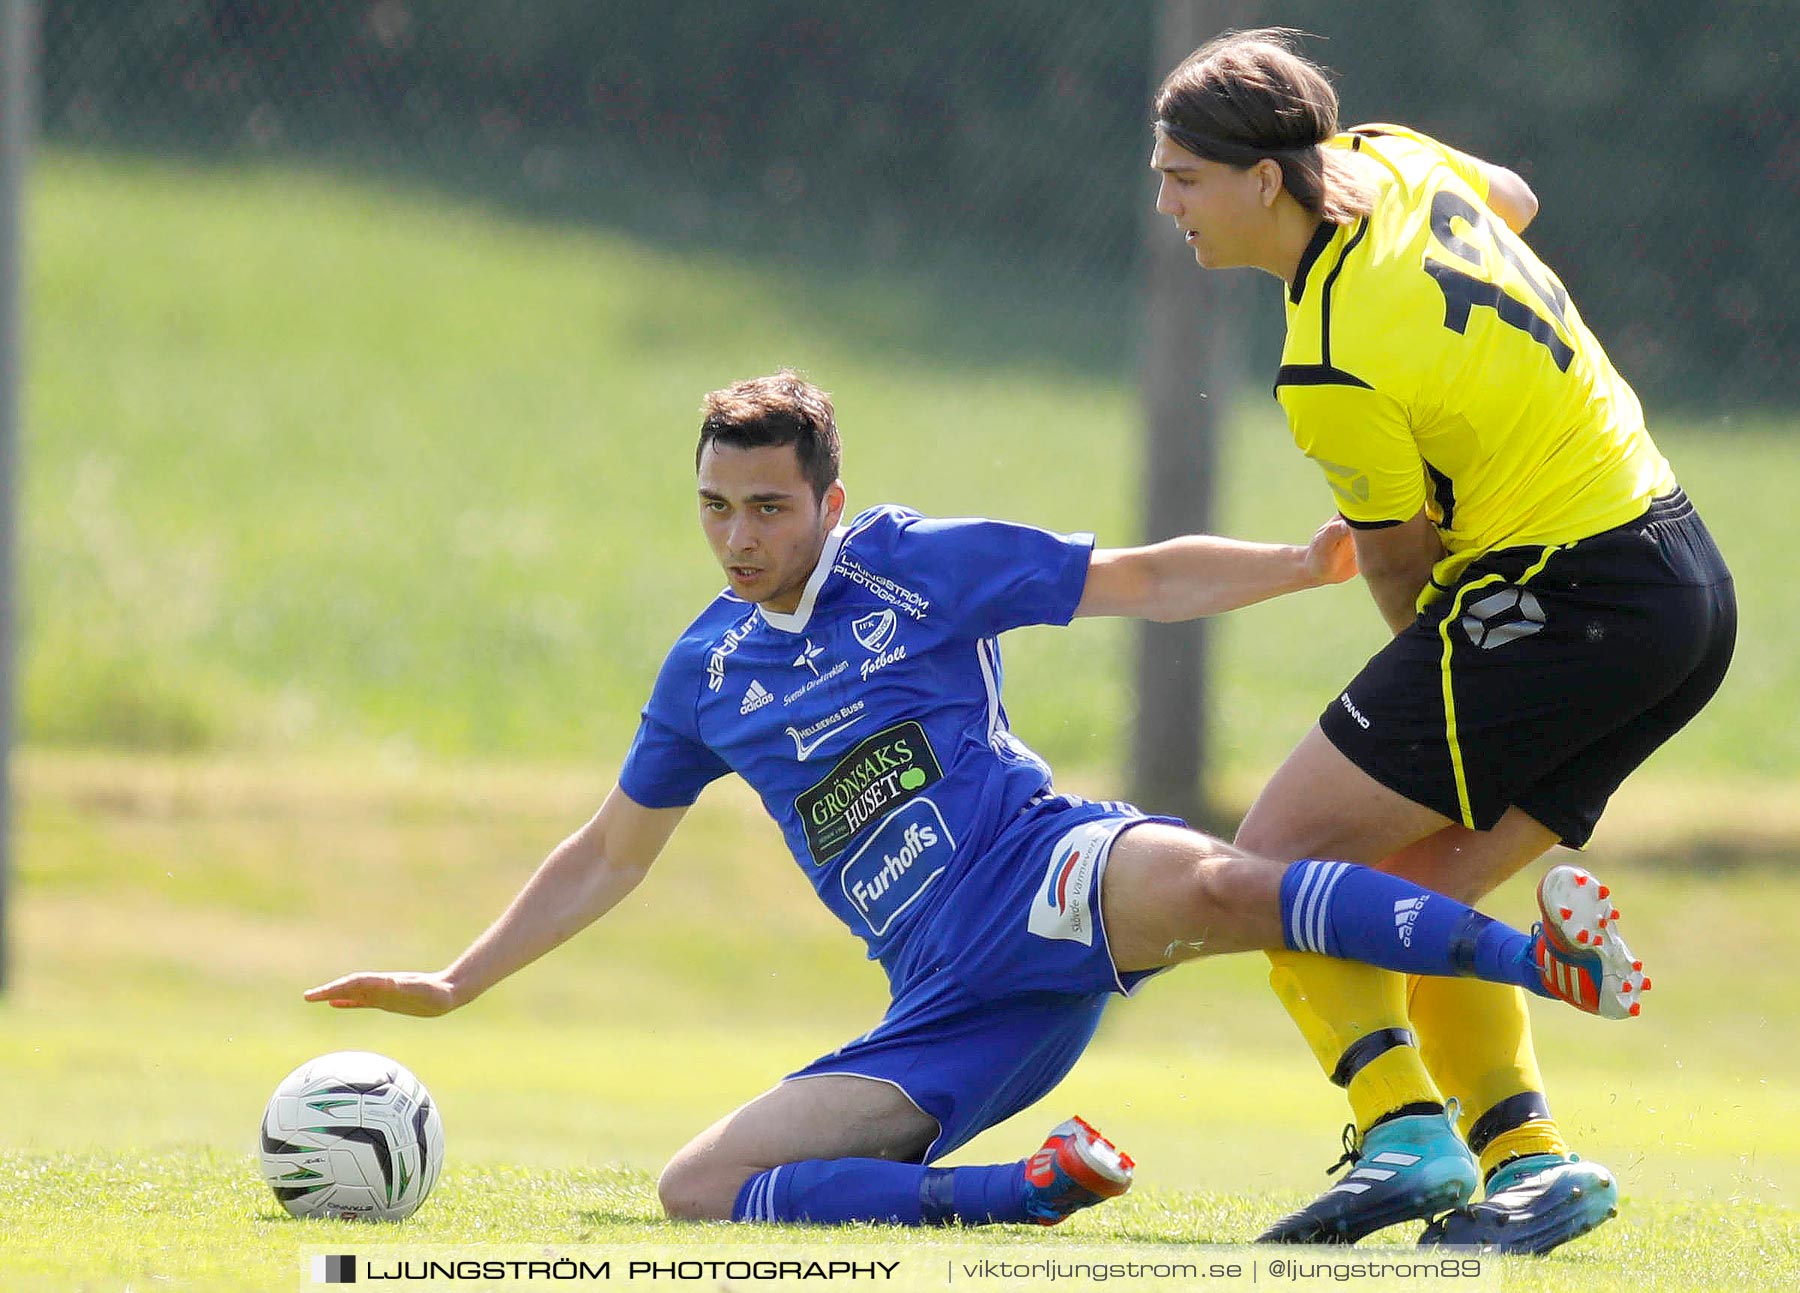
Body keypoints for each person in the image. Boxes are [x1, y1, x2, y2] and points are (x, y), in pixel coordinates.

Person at [306, 371, 1645, 1230]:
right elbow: (606, 855)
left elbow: (1138, 579)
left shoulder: (910, 565)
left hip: (1047, 877)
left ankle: (1548, 961)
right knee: (697, 1189)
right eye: (714, 507)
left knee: (1247, 881)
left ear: (828, 500)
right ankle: (1030, 1190)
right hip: (948, 1003)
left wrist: (1300, 568)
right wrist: (456, 982)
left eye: (767, 506)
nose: (738, 537)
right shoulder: (706, 669)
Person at [1148, 29, 1735, 1253]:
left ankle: (1404, 1135)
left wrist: (1446, 672)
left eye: (1183, 176)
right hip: (1683, 584)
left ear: (1265, 182)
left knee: (1271, 867)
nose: (1166, 203)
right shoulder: (1388, 155)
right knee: (1407, 900)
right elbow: (1511, 199)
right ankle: (1530, 1164)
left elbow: (1400, 558)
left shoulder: (1329, 362)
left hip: (1565, 598)